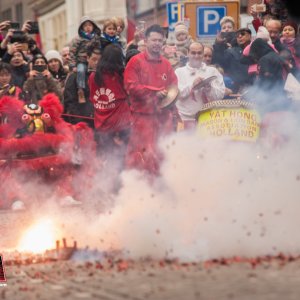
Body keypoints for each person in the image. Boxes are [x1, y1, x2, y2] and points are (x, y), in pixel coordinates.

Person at [124, 24, 179, 175]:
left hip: (162, 118)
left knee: (162, 152)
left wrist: (169, 99)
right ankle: (137, 186)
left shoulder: (166, 64)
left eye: (160, 40)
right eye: (154, 40)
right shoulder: (135, 61)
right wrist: (155, 92)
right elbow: (131, 87)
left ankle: (160, 187)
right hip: (142, 117)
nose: (157, 43)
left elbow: (173, 87)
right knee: (141, 153)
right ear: (146, 40)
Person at [89, 44, 131, 173]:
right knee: (121, 159)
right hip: (121, 125)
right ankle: (120, 188)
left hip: (101, 125)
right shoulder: (122, 76)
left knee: (105, 159)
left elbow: (92, 98)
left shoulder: (93, 77)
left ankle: (105, 186)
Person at [175, 42, 225, 130]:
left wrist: (209, 88)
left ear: (203, 54)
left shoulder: (212, 71)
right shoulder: (179, 72)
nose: (196, 56)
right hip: (185, 119)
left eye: (199, 53)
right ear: (188, 53)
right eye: (193, 53)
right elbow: (177, 95)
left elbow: (219, 96)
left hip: (207, 119)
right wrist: (192, 85)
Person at [64, 43, 101, 126]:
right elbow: (70, 102)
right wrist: (79, 123)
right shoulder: (75, 76)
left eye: (99, 60)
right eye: (94, 59)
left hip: (100, 123)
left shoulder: (105, 77)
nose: (97, 63)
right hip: (81, 123)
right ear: (87, 58)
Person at [69, 16, 101, 104]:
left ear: (93, 26)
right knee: (80, 71)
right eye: (85, 25)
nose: (88, 27)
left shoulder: (97, 38)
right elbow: (72, 53)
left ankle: (99, 90)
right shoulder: (77, 39)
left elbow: (100, 49)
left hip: (94, 61)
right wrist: (73, 65)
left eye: (90, 25)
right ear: (82, 27)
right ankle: (80, 91)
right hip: (81, 61)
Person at [222, 27, 253, 93]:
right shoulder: (230, 52)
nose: (239, 36)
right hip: (236, 89)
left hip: (254, 87)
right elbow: (222, 67)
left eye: (242, 34)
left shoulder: (256, 50)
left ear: (250, 36)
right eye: (237, 35)